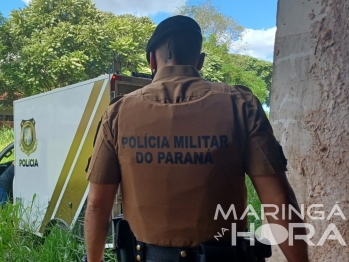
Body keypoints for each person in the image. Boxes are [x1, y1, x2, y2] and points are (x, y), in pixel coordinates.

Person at [84, 15, 309, 262]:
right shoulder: (241, 106)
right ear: (200, 61)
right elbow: (279, 201)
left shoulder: (117, 114)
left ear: (151, 61)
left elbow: (97, 206)